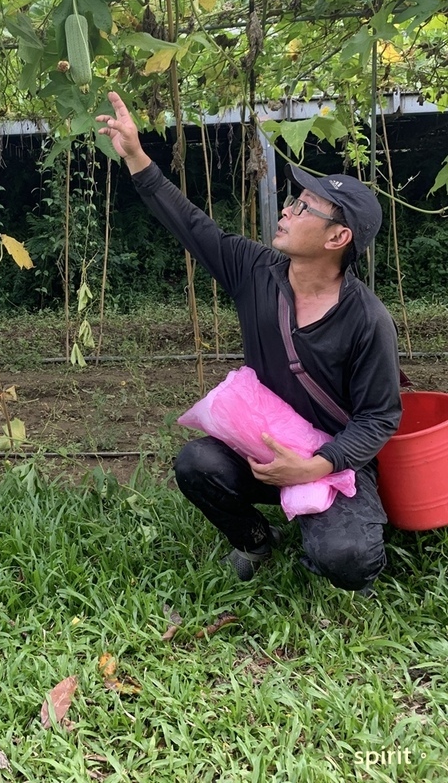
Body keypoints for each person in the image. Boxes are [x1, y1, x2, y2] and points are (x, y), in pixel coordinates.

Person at [97, 90, 402, 594]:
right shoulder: (255, 271)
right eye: (292, 200)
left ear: (336, 239)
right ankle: (257, 539)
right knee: (196, 464)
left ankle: (336, 528)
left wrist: (312, 465)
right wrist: (135, 155)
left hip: (330, 457)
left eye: (304, 207)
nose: (287, 209)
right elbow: (192, 226)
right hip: (260, 449)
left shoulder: (368, 320)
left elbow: (380, 418)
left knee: (348, 559)